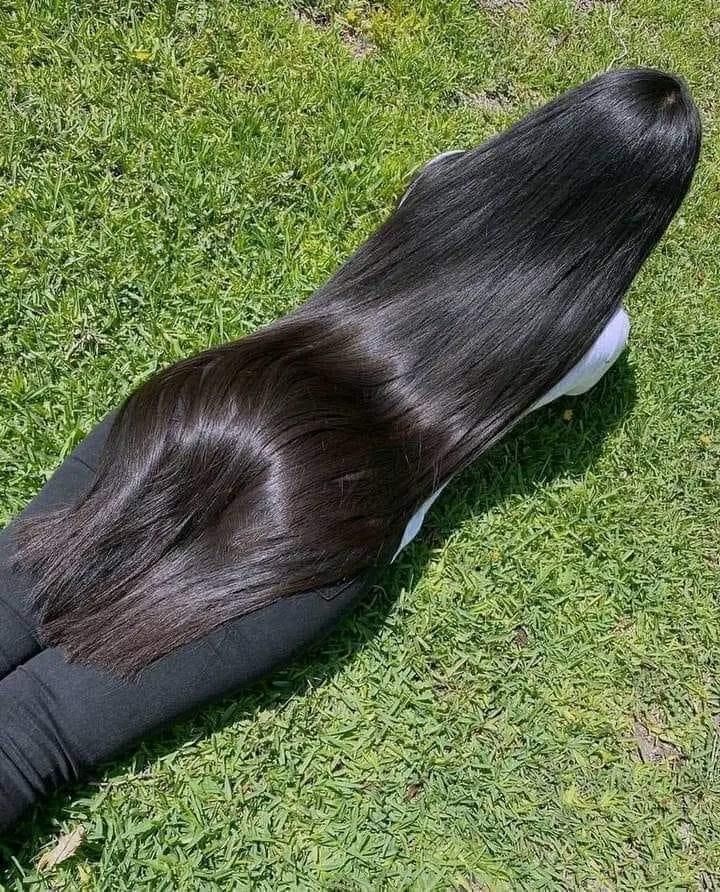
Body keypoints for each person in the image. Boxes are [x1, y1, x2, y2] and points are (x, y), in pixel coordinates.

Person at [0, 68, 701, 830]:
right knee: (38, 729)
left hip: (229, 394)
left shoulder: (443, 180)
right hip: (325, 513)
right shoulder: (597, 340)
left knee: (25, 583)